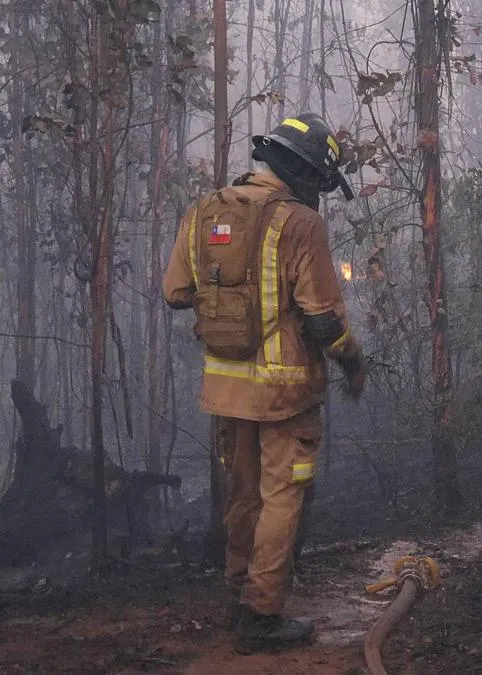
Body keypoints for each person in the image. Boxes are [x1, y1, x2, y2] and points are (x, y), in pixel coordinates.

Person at [163, 112, 366, 654]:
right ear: (303, 173)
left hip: (225, 390)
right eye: (320, 183)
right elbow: (323, 317)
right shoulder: (301, 224)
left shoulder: (206, 210)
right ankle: (262, 613)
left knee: (242, 494)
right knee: (282, 497)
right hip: (286, 393)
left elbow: (176, 292)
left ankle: (239, 597)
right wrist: (353, 361)